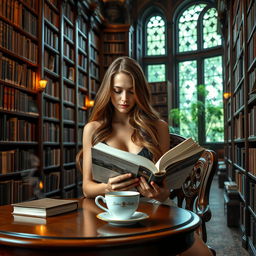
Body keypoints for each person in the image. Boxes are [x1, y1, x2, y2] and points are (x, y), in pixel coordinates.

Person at [82, 56, 213, 256]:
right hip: (113, 212)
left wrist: (160, 194)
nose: (124, 98)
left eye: (131, 91)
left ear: (140, 93)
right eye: (117, 91)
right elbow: (87, 188)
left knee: (202, 255)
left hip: (155, 209)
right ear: (108, 91)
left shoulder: (158, 127)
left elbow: (163, 183)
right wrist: (107, 187)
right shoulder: (93, 129)